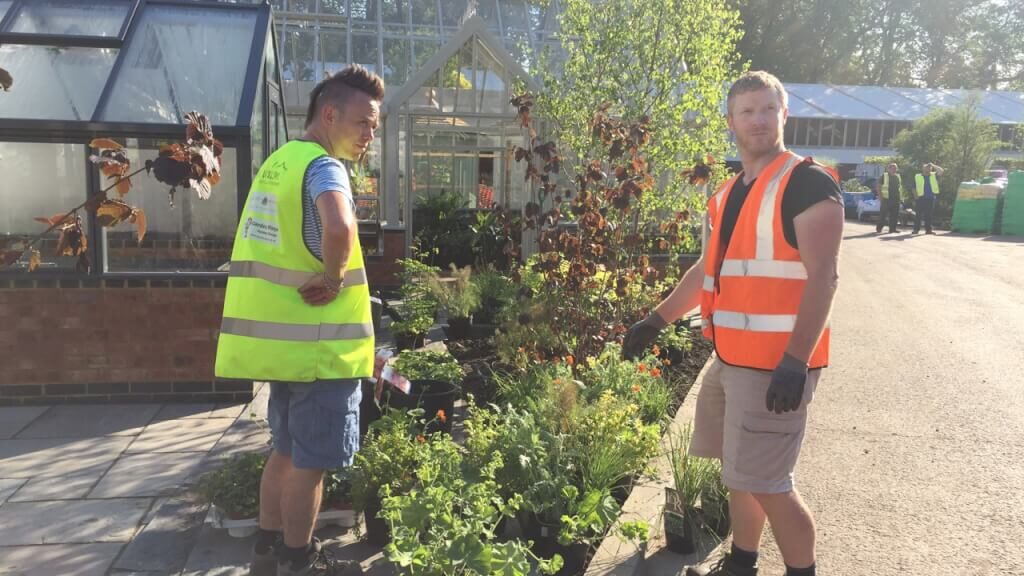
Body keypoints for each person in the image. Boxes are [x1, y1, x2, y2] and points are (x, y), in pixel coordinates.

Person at [623, 71, 843, 576]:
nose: (759, 120)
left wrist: (795, 360)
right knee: (740, 474)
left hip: (776, 368)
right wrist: (656, 319)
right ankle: (742, 562)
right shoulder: (727, 193)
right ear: (731, 122)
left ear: (784, 115)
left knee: (771, 482)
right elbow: (707, 270)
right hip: (731, 359)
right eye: (747, 111)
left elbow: (824, 279)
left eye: (768, 109)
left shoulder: (807, 183)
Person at [215, 65, 383, 576]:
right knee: (310, 463)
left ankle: (266, 551)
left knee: (285, 452)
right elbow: (339, 225)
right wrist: (333, 280)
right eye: (363, 122)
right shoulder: (326, 168)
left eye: (374, 126)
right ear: (329, 114)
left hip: (284, 351)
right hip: (319, 351)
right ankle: (298, 558)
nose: (369, 135)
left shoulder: (281, 162)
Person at [913, 162, 944, 234]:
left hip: (930, 198)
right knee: (918, 215)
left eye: (929, 168)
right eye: (926, 167)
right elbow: (913, 187)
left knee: (929, 215)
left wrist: (933, 165)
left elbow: (941, 171)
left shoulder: (934, 175)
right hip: (920, 198)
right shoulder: (918, 176)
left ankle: (928, 230)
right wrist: (916, 197)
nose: (928, 169)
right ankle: (916, 229)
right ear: (922, 169)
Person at [876, 162, 903, 234]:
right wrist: (880, 197)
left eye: (895, 168)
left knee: (894, 215)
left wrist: (900, 198)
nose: (894, 169)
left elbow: (899, 188)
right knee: (883, 215)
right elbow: (878, 187)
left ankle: (892, 229)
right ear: (888, 169)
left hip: (896, 199)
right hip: (886, 199)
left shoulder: (898, 176)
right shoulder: (884, 176)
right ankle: (879, 228)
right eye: (893, 168)